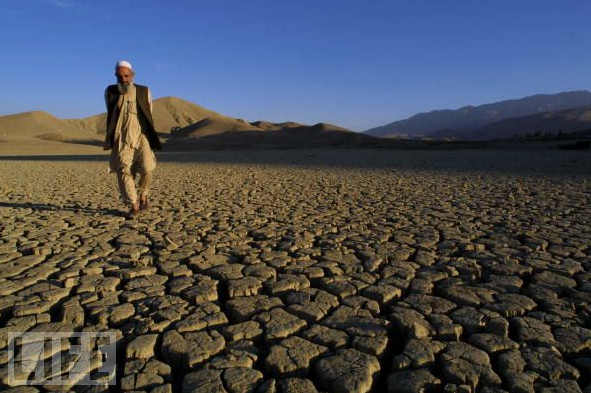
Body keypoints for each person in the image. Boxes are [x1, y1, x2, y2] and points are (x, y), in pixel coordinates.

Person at [103, 60, 162, 218]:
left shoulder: (144, 91)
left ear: (132, 75)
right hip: (122, 137)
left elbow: (149, 112)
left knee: (148, 168)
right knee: (123, 170)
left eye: (127, 76)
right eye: (120, 76)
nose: (124, 79)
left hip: (142, 135)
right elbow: (111, 113)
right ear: (115, 76)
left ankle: (144, 195)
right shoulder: (110, 92)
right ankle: (134, 204)